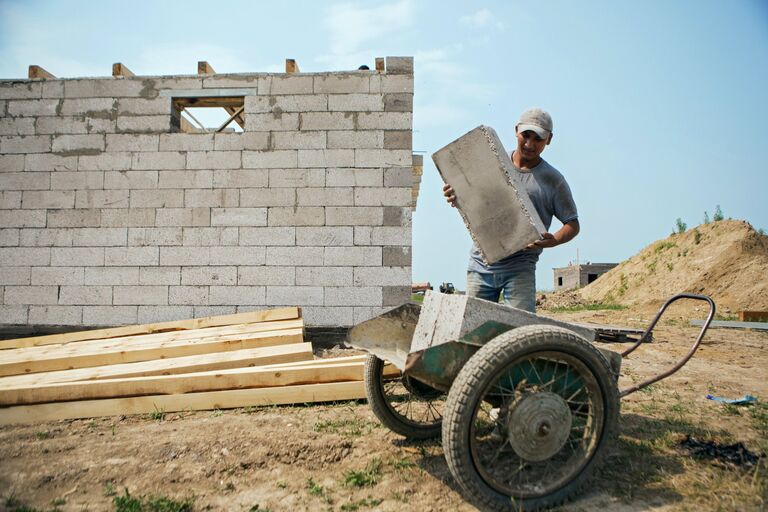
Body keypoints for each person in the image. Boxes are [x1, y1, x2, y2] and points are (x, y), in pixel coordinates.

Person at [442, 107, 579, 312]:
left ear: (549, 139)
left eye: (538, 139)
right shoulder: (491, 163)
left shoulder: (553, 180)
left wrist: (554, 240)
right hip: (481, 264)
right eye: (526, 135)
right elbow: (474, 202)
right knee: (472, 332)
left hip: (520, 268)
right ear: (516, 130)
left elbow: (572, 224)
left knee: (520, 332)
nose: (529, 144)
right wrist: (456, 197)